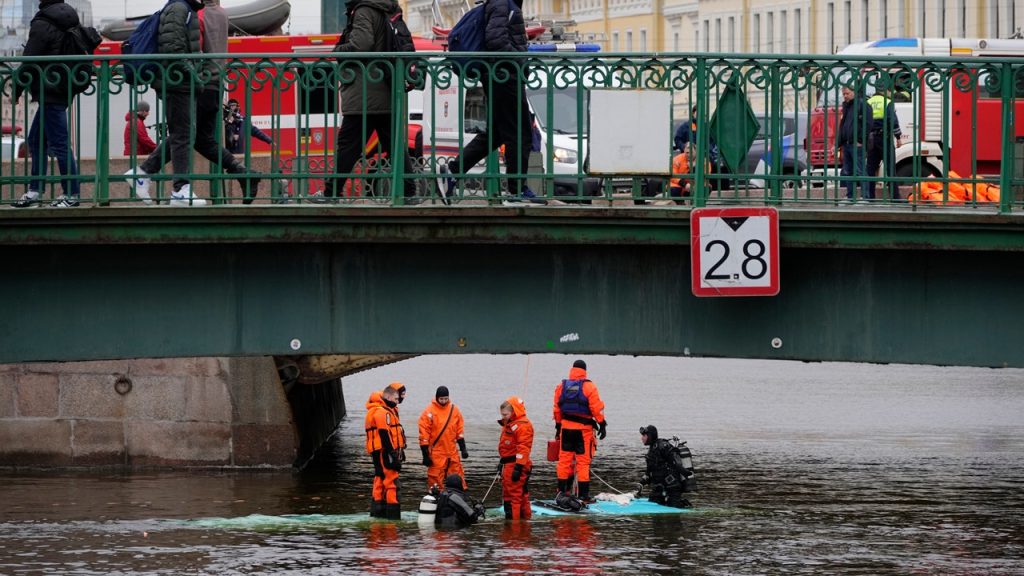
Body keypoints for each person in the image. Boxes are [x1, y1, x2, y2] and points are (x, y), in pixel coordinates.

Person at [126, 0, 263, 206]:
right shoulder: (222, 14)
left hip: (200, 83)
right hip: (217, 84)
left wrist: (194, 76)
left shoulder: (196, 15)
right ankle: (242, 172)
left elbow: (189, 48)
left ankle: (147, 173)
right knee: (199, 138)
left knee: (184, 134)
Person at [313, 0, 418, 204]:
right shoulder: (387, 8)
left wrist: (337, 51)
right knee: (394, 145)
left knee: (348, 144)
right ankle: (410, 192)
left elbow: (362, 44)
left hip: (365, 91)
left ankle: (331, 193)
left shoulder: (363, 10)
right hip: (385, 87)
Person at [438, 0, 542, 205]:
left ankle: (452, 171)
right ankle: (516, 191)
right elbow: (496, 40)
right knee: (519, 133)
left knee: (497, 133)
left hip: (501, 74)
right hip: (504, 75)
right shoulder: (503, 4)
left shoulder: (504, 4)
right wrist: (520, 62)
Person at [122, 0, 207, 207]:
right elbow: (174, 48)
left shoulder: (183, 9)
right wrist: (194, 75)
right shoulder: (179, 9)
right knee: (183, 135)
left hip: (178, 81)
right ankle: (179, 190)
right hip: (177, 82)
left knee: (183, 134)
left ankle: (142, 173)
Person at [12, 0, 82, 208]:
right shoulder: (70, 16)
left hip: (48, 88)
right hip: (62, 84)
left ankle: (72, 194)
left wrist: (16, 88)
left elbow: (30, 59)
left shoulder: (43, 22)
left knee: (60, 144)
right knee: (36, 140)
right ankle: (35, 191)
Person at [553, 359, 607, 504]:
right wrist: (602, 423)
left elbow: (557, 408)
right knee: (583, 462)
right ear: (585, 371)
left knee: (564, 461)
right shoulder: (589, 387)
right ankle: (584, 496)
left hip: (566, 428)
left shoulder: (561, 386)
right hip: (583, 430)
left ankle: (561, 492)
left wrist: (558, 426)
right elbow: (596, 408)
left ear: (572, 370)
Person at [365, 385, 407, 519]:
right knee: (392, 483)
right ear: (387, 397)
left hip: (378, 452)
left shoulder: (376, 410)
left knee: (380, 479)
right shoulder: (382, 412)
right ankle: (393, 515)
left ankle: (378, 512)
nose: (397, 401)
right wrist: (394, 455)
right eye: (395, 398)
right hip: (385, 452)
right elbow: (384, 435)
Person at [418, 385, 470, 491]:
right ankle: (437, 500)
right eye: (441, 399)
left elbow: (459, 431)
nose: (443, 401)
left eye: (446, 398)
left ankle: (459, 498)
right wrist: (425, 455)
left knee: (458, 477)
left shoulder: (454, 410)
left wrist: (463, 449)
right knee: (435, 479)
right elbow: (424, 434)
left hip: (451, 451)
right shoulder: (429, 411)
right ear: (437, 397)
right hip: (437, 452)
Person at [638, 425, 692, 509]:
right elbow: (649, 471)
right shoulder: (651, 450)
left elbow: (675, 462)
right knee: (654, 511)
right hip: (658, 488)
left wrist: (685, 472)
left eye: (644, 436)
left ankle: (683, 505)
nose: (642, 438)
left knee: (674, 509)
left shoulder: (663, 446)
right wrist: (641, 483)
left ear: (650, 436)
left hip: (672, 487)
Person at [498, 396, 533, 520]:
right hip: (508, 464)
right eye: (502, 414)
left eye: (505, 414)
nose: (503, 417)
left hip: (516, 465)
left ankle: (515, 524)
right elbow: (507, 448)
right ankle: (517, 522)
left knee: (515, 497)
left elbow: (523, 447)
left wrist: (518, 467)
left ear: (513, 412)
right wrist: (502, 463)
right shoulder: (511, 424)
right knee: (510, 495)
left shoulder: (522, 426)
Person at [866, 86, 903, 201]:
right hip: (884, 138)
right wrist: (898, 136)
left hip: (871, 139)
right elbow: (892, 120)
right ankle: (895, 197)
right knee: (890, 168)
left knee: (871, 169)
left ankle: (870, 197)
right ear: (885, 91)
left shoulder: (868, 102)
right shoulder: (887, 102)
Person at [836, 85, 872, 203]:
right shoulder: (847, 106)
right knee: (848, 171)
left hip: (856, 144)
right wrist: (838, 143)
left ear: (854, 92)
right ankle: (850, 196)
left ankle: (865, 197)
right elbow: (843, 126)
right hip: (847, 144)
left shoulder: (863, 105)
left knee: (860, 170)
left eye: (847, 93)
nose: (845, 96)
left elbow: (867, 124)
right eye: (844, 94)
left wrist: (860, 141)